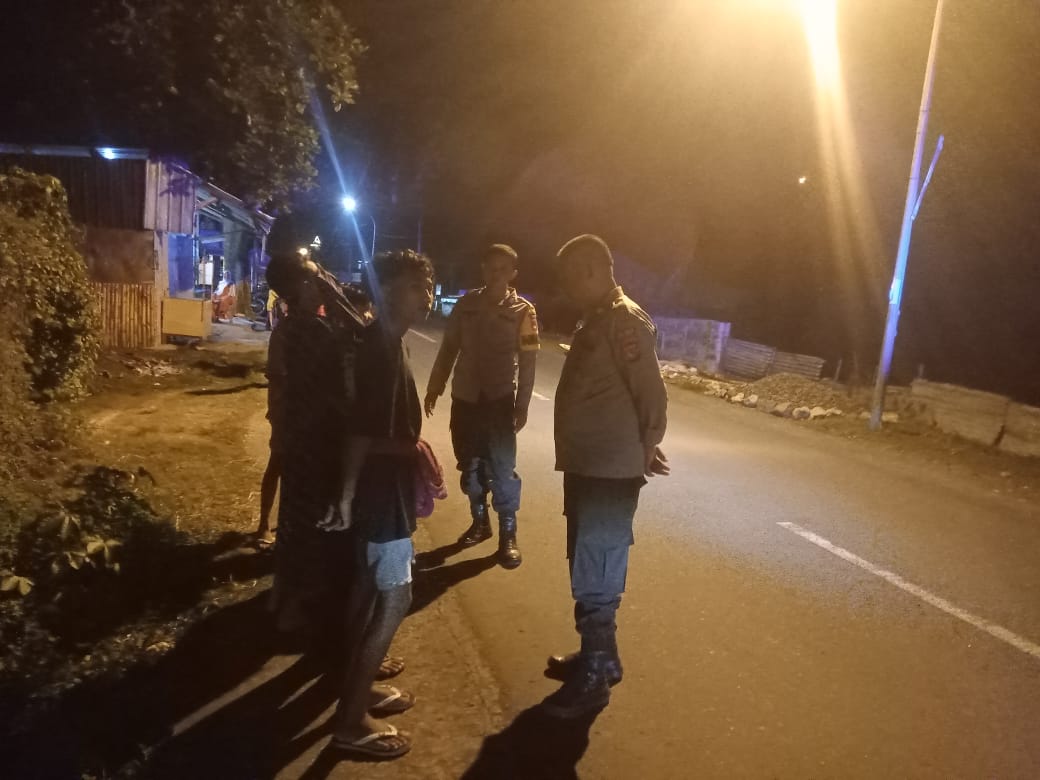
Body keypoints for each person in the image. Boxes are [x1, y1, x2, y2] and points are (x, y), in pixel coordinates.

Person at [542, 234, 669, 718]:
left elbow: (649, 391)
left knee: (596, 567)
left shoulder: (624, 320)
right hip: (589, 462)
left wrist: (648, 442)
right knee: (586, 558)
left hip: (607, 469)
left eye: (569, 277)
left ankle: (594, 679)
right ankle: (602, 657)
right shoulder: (598, 317)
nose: (565, 288)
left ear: (591, 270)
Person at [322, 249, 435, 760]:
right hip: (381, 493)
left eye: (427, 285)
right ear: (385, 290)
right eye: (415, 285)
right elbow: (360, 432)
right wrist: (347, 494)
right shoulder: (382, 348)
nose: (425, 295)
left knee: (367, 587)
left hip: (381, 487)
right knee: (395, 598)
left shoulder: (385, 340)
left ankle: (357, 688)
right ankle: (350, 723)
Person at [424, 244, 539, 568]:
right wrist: (435, 387)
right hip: (465, 399)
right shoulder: (466, 305)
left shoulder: (524, 311)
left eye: (503, 269)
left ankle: (508, 534)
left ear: (513, 273)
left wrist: (522, 405)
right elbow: (449, 348)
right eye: (491, 267)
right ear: (483, 269)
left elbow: (528, 361)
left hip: (499, 401)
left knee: (502, 469)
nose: (496, 274)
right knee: (470, 467)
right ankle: (479, 522)